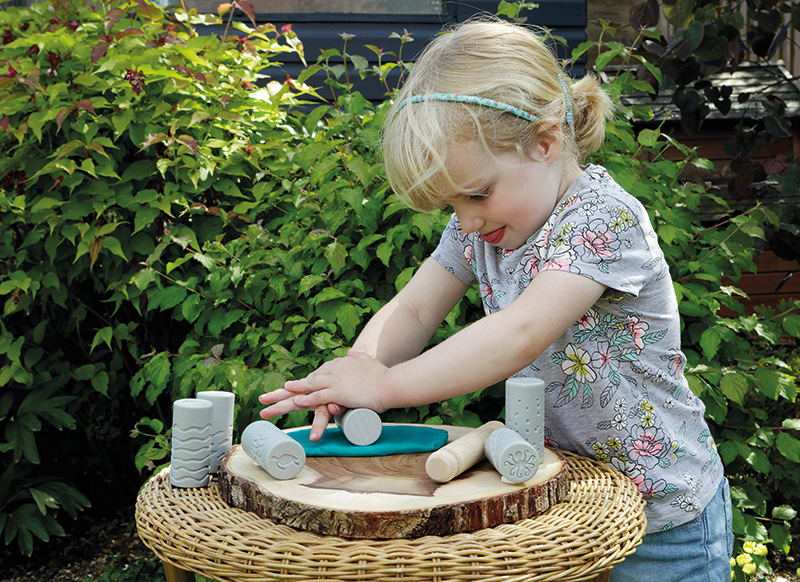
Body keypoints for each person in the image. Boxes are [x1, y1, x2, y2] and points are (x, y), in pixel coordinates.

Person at [260, 18, 732, 582]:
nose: (466, 219)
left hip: (663, 514)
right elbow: (413, 308)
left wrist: (388, 387)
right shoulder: (480, 227)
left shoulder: (602, 219)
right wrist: (360, 367)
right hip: (566, 503)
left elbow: (521, 331)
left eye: (478, 194)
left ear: (545, 142)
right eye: (451, 206)